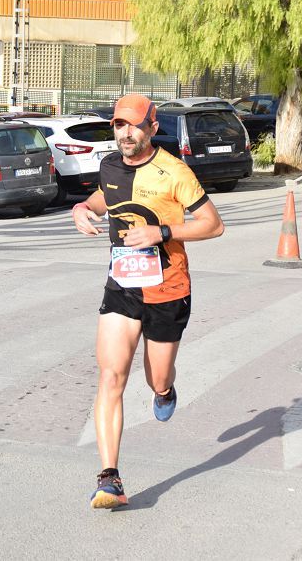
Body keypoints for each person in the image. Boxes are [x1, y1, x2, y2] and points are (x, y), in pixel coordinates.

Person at [72, 93, 225, 509]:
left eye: (134, 125)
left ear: (152, 129)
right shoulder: (109, 166)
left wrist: (163, 233)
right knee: (110, 376)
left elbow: (213, 224)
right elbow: (105, 197)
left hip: (168, 288)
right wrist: (83, 207)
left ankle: (165, 389)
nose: (125, 132)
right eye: (119, 125)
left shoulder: (174, 171)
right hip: (122, 284)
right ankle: (110, 478)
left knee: (155, 377)